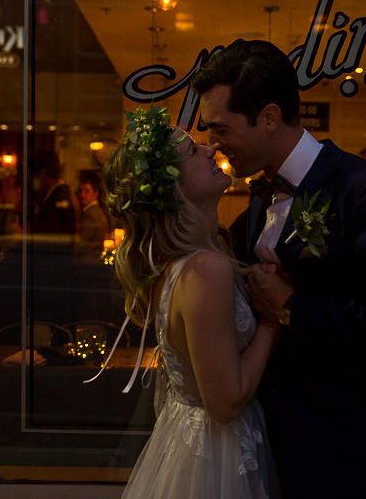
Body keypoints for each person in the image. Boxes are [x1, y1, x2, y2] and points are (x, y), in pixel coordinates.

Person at [191, 39, 366, 499]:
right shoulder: (257, 200)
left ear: (269, 117)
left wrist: (294, 307)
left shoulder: (365, 191)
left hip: (352, 453)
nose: (215, 145)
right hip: (279, 449)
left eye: (221, 129)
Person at [103, 106, 282, 498]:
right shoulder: (205, 268)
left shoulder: (195, 257)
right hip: (217, 458)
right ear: (173, 189)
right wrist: (272, 322)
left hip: (189, 443)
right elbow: (225, 402)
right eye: (191, 152)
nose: (210, 149)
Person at [74, 174, 110, 263]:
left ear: (95, 194)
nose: (82, 194)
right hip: (94, 259)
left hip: (86, 261)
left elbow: (80, 242)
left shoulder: (90, 214)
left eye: (87, 191)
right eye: (80, 191)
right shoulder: (97, 211)